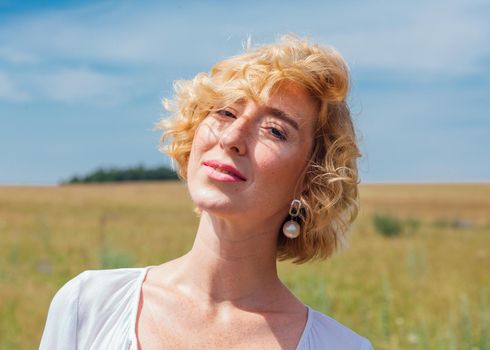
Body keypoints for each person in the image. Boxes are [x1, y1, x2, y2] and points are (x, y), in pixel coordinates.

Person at [39, 35, 373, 350]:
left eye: (274, 130)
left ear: (311, 179)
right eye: (225, 112)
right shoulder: (88, 304)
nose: (232, 137)